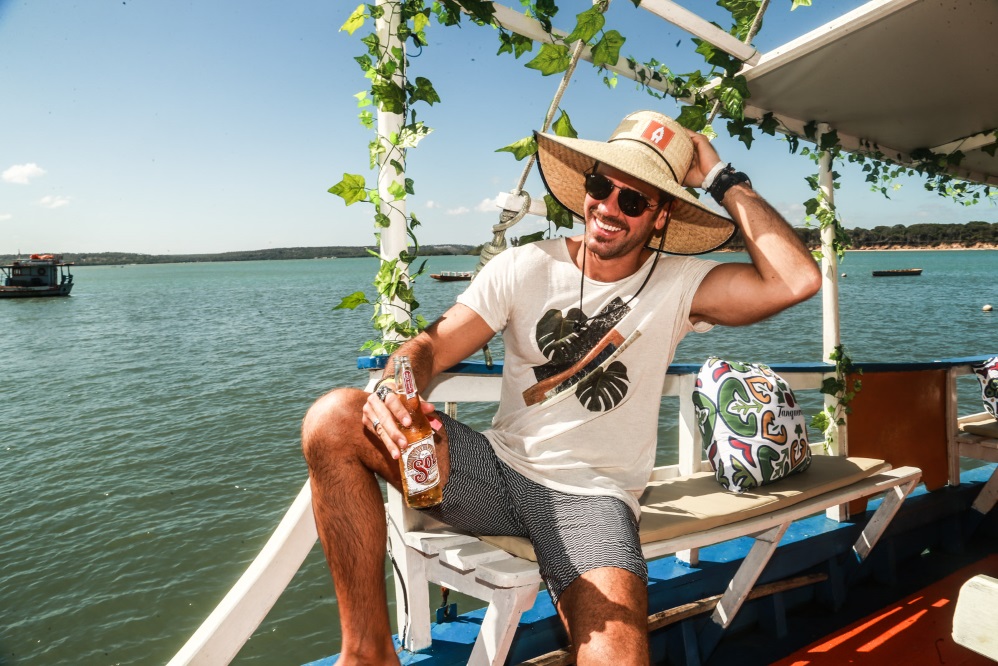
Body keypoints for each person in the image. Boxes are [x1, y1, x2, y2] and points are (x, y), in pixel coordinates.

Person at [302, 110, 822, 665]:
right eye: (602, 187)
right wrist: (394, 388)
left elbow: (796, 279)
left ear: (662, 216)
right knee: (334, 418)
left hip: (592, 500)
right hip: (496, 472)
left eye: (635, 200)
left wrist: (721, 177)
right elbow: (432, 345)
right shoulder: (524, 265)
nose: (609, 209)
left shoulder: (682, 284)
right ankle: (367, 654)